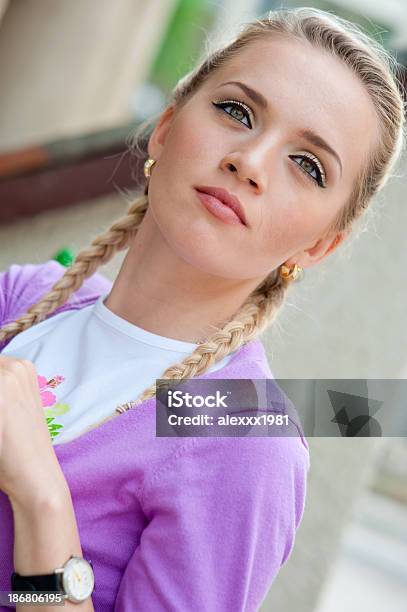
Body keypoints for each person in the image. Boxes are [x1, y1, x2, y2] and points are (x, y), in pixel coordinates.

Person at [0, 6, 405, 611]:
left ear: (319, 244)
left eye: (308, 164)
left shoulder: (238, 432)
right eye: (237, 111)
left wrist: (39, 497)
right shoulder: (24, 297)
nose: (251, 160)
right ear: (165, 127)